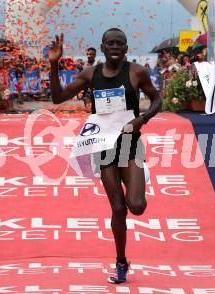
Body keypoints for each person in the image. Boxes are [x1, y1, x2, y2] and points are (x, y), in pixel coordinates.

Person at [48, 28, 162, 284]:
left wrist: (142, 119)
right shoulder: (91, 73)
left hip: (130, 143)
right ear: (102, 47)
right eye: (110, 43)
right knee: (118, 208)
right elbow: (57, 98)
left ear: (126, 48)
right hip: (103, 145)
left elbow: (157, 100)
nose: (114, 47)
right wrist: (54, 65)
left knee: (137, 206)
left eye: (119, 44)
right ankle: (121, 262)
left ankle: (138, 177)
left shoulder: (136, 72)